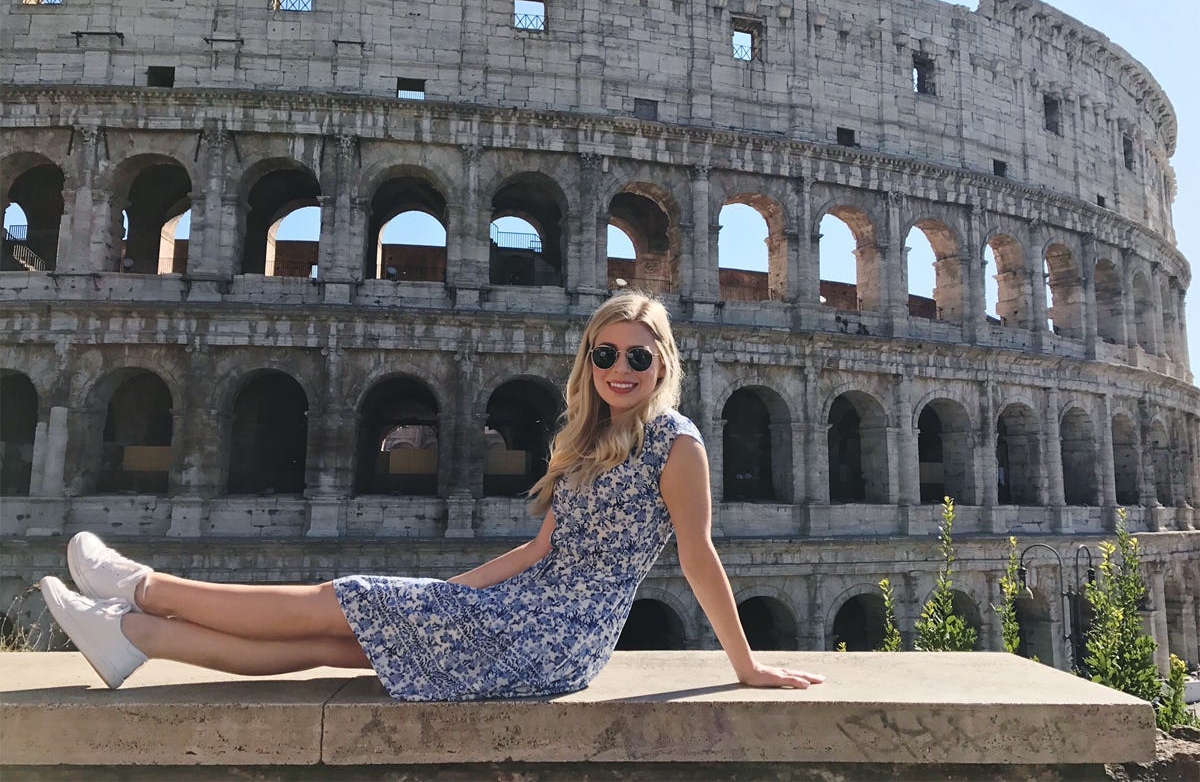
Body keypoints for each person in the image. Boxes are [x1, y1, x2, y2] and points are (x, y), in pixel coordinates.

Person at [40, 292, 824, 698]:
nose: (621, 368)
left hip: (555, 641)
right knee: (328, 647)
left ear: (663, 367)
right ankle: (137, 636)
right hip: (510, 613)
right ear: (587, 360)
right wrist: (451, 592)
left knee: (331, 600)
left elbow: (698, 558)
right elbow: (540, 549)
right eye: (605, 353)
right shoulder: (585, 438)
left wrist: (746, 666)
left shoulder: (675, 443)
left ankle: (141, 587)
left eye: (639, 359)